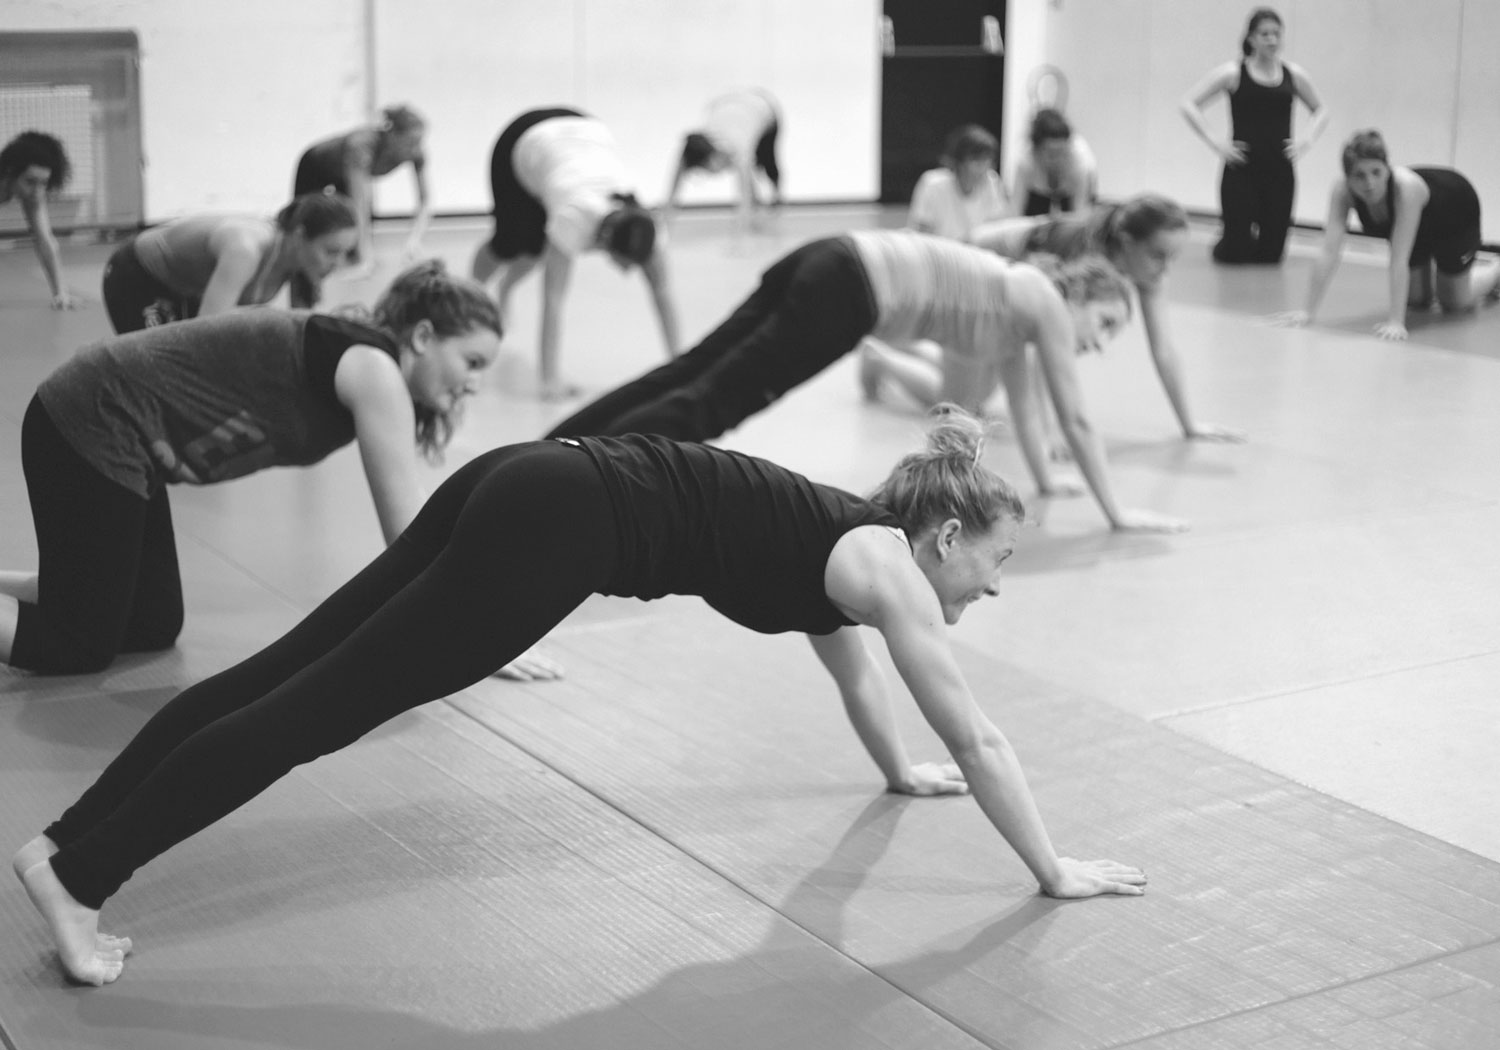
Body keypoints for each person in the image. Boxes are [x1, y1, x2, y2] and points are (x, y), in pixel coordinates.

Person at [13, 405, 1148, 985]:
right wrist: (1051, 870)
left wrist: (894, 768)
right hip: (560, 524)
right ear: (948, 536)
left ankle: (65, 845)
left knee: (280, 673)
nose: (995, 590)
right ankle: (79, 875)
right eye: (997, 565)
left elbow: (847, 656)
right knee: (313, 711)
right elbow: (983, 732)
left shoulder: (853, 553)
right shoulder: (887, 566)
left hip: (534, 472)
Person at [0, 261, 501, 676]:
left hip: (122, 437)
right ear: (423, 335)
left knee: (150, 624)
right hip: (91, 420)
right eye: (472, 361)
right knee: (77, 646)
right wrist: (490, 635)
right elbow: (410, 539)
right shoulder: (375, 370)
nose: (474, 384)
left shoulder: (360, 358)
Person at [547, 230, 1184, 533]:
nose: (1097, 344)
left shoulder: (1018, 320)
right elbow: (1075, 417)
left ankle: (556, 451)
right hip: (849, 289)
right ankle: (580, 486)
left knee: (689, 374)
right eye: (1104, 324)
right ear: (1082, 293)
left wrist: (1049, 481)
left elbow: (1027, 406)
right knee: (711, 403)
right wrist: (1118, 512)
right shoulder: (1042, 298)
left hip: (831, 257)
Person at [971, 196, 1244, 444]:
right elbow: (1043, 349)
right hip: (976, 258)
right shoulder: (1084, 262)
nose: (1166, 268)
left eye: (1173, 258)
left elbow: (1164, 350)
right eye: (1158, 255)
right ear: (1127, 243)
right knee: (967, 395)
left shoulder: (1149, 271)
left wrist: (1189, 425)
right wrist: (1045, 437)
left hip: (1007, 282)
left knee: (976, 391)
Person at [471, 106, 681, 400]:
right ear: (605, 242)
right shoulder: (575, 219)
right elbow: (554, 298)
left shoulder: (649, 225)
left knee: (534, 250)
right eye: (625, 263)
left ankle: (505, 289)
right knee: (513, 244)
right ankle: (472, 291)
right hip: (522, 141)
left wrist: (681, 369)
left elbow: (663, 292)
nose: (629, 271)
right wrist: (549, 380)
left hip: (584, 130)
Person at [1276, 130, 1500, 341]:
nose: (1370, 184)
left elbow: (1399, 257)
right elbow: (1329, 251)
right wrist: (1307, 311)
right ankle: (1440, 276)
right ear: (1348, 178)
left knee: (1455, 303)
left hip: (1455, 215)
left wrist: (1395, 321)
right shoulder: (1342, 192)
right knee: (1416, 301)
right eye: (1359, 176)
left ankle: (1495, 269)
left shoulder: (1406, 189)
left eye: (1376, 172)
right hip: (1421, 228)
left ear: (1387, 169)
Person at [1181, 7, 1327, 264]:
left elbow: (1321, 110)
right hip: (1242, 169)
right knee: (1236, 253)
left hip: (1279, 170)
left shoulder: (1293, 75)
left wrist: (1306, 141)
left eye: (1276, 34)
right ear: (1251, 38)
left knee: (1271, 255)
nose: (1271, 40)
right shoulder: (1234, 73)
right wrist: (1217, 144)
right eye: (1264, 34)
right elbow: (1189, 104)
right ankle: (1227, 239)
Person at [99, 193, 358, 333]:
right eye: (331, 252)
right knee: (156, 363)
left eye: (345, 254)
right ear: (300, 236)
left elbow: (301, 331)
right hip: (137, 275)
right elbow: (205, 328)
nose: (337, 264)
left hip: (186, 288)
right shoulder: (245, 249)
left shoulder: (297, 261)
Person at [293, 105, 431, 275]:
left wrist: (414, 240)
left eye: (419, 142)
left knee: (351, 237)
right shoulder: (362, 145)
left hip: (343, 174)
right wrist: (367, 258)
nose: (416, 149)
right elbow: (360, 203)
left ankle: (352, 262)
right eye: (410, 142)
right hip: (315, 165)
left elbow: (424, 200)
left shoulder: (416, 153)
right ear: (392, 136)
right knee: (306, 224)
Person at [663, 89, 782, 231]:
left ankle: (775, 199)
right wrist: (665, 223)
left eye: (709, 167)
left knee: (766, 162)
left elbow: (743, 194)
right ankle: (758, 206)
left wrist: (741, 231)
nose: (710, 173)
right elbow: (672, 190)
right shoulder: (692, 150)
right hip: (729, 103)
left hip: (764, 109)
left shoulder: (737, 146)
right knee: (749, 173)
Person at [0, 131, 79, 309]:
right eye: (30, 181)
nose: (37, 191)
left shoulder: (32, 194)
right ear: (11, 172)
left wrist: (60, 292)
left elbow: (45, 239)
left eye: (43, 183)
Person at [907, 124, 1008, 242]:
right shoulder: (933, 184)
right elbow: (922, 233)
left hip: (977, 255)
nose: (983, 169)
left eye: (988, 161)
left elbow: (996, 229)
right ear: (960, 162)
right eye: (976, 161)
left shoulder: (991, 182)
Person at [1010, 109, 1097, 219]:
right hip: (1037, 190)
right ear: (1037, 152)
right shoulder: (1025, 160)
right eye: (1052, 154)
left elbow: (1080, 212)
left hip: (1071, 189)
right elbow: (1016, 210)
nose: (1058, 160)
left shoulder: (1082, 162)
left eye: (1062, 153)